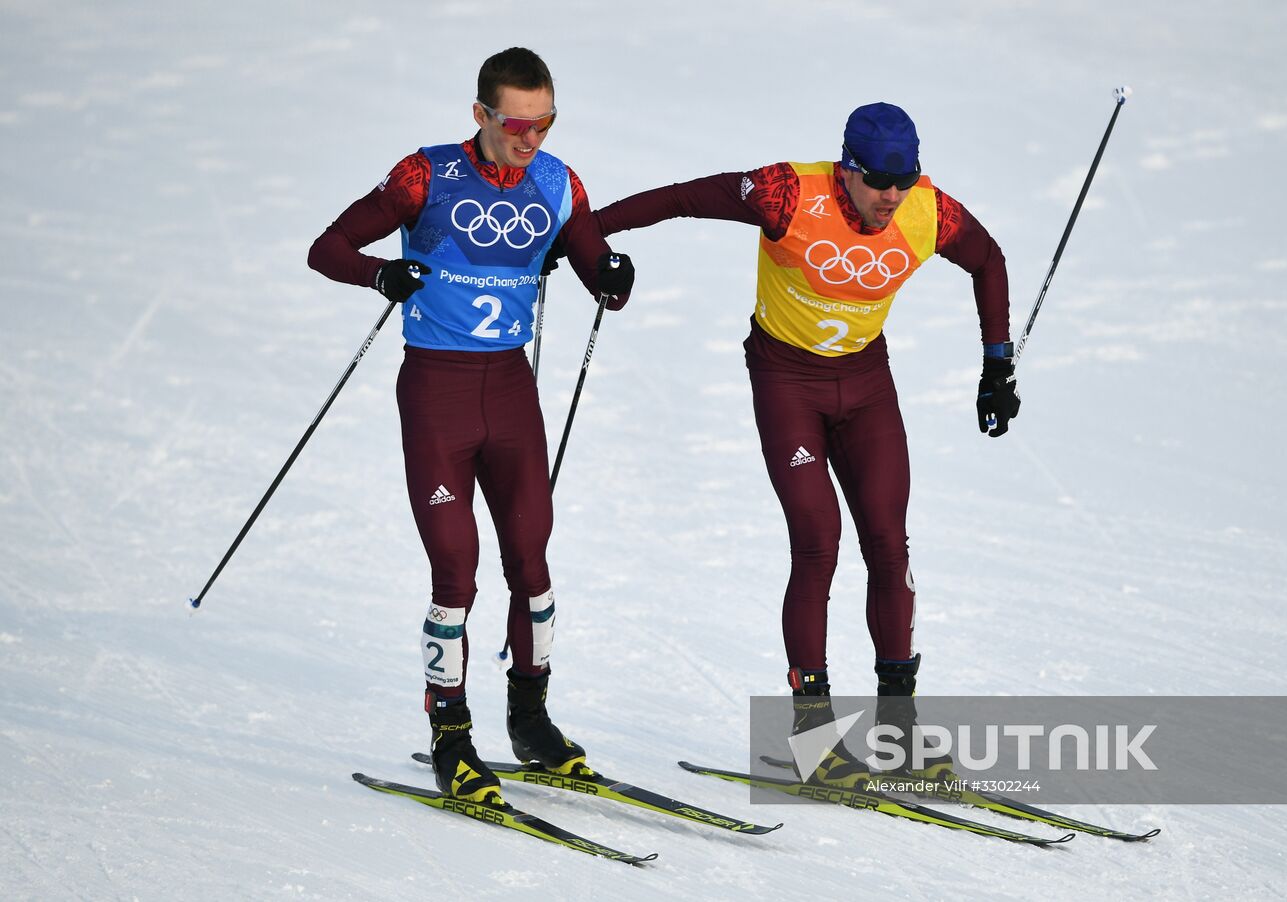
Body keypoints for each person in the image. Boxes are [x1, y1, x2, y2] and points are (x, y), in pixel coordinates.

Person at [595, 102, 1017, 785]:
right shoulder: (786, 193)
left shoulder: (926, 210)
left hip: (866, 384)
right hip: (788, 380)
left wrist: (997, 364)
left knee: (888, 538)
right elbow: (679, 199)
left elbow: (988, 259)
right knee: (819, 538)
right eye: (879, 180)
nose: (891, 196)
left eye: (903, 180)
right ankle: (813, 727)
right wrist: (585, 236)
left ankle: (897, 725)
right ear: (846, 169)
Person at [307, 47, 635, 804]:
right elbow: (327, 248)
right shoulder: (424, 177)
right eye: (517, 124)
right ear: (481, 114)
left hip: (510, 390)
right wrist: (380, 274)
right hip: (437, 392)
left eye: (545, 123)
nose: (532, 139)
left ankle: (532, 719)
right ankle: (451, 734)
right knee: (456, 569)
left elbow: (598, 273)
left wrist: (612, 276)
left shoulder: (557, 183)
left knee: (532, 559)